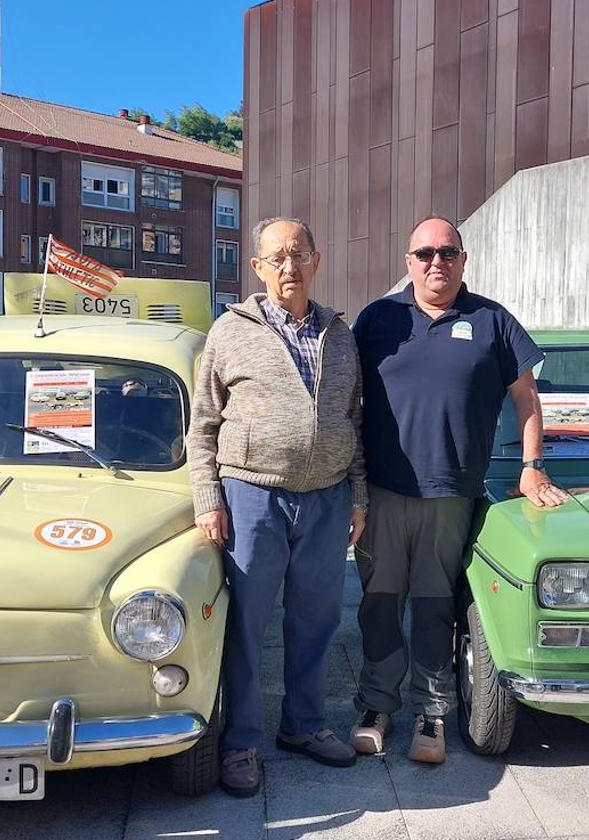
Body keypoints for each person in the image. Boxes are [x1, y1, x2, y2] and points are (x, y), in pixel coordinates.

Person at [350, 214, 569, 764]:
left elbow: (527, 397)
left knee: (433, 608)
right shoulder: (378, 320)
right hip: (381, 492)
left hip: (452, 496)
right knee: (379, 606)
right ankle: (376, 708)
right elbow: (345, 401)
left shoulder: (492, 321)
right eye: (424, 254)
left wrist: (532, 465)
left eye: (447, 252)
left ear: (463, 260)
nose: (436, 263)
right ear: (408, 262)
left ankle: (432, 713)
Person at [186, 216, 368, 797]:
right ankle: (240, 742)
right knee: (246, 625)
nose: (290, 266)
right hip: (252, 497)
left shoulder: (340, 333)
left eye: (299, 253)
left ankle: (304, 726)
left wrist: (358, 496)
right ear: (259, 268)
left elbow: (354, 420)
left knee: (316, 621)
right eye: (277, 257)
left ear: (316, 260)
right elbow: (203, 424)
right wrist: (208, 498)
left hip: (327, 498)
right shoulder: (229, 331)